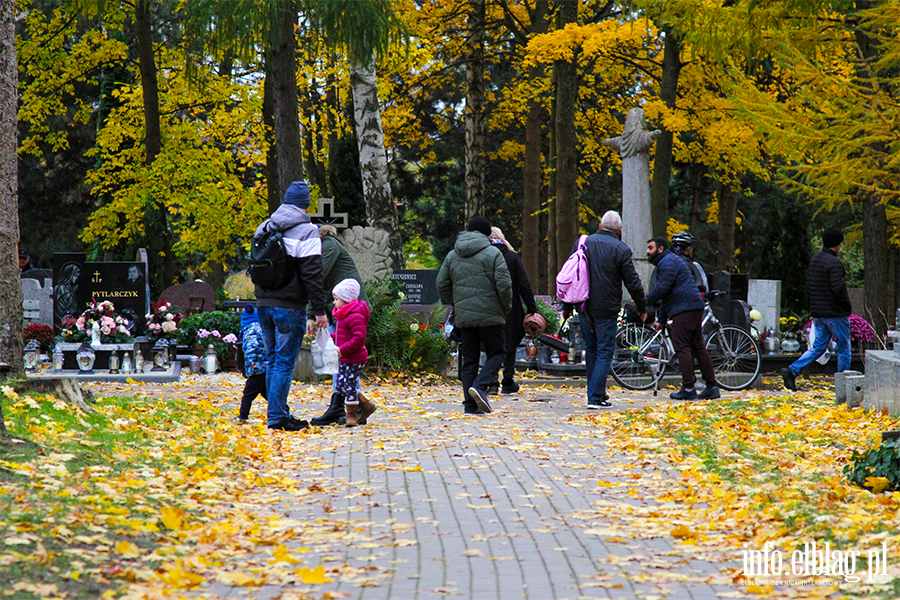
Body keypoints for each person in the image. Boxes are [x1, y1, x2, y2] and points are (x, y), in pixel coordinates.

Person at [254, 180, 329, 431]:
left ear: (285, 200)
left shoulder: (263, 226)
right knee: (284, 362)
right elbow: (312, 275)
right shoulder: (307, 231)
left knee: (273, 359)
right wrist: (319, 311)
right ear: (305, 204)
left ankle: (278, 412)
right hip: (289, 306)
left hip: (263, 303)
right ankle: (276, 417)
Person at [564, 211, 646, 409]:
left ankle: (596, 394)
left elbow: (570, 275)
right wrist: (642, 306)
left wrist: (566, 307)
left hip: (583, 305)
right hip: (606, 308)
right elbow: (632, 283)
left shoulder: (582, 243)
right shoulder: (621, 249)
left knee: (591, 349)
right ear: (619, 231)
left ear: (600, 226)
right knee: (605, 351)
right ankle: (595, 397)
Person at [437, 216, 512, 414]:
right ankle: (480, 386)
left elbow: (441, 283)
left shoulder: (453, 255)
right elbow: (504, 285)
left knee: (469, 359)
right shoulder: (494, 253)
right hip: (491, 314)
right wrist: (504, 307)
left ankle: (470, 405)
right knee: (497, 352)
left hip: (465, 316)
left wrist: (456, 303)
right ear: (487, 234)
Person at [306, 225, 369, 426]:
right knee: (340, 365)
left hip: (350, 310)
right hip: (339, 309)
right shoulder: (322, 247)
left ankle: (352, 409)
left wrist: (311, 314)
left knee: (347, 363)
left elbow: (316, 279)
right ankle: (347, 407)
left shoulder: (329, 246)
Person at [644, 237, 720, 400]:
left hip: (684, 309)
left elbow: (662, 289)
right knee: (698, 347)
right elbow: (667, 295)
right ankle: (712, 386)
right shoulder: (669, 261)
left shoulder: (668, 262)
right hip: (692, 306)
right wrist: (662, 320)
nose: (647, 251)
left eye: (650, 248)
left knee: (682, 347)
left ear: (660, 249)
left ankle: (688, 387)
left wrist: (643, 301)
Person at [781, 228, 852, 391]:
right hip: (835, 313)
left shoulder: (815, 261)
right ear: (839, 243)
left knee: (818, 347)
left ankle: (792, 370)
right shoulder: (834, 263)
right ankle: (844, 383)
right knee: (844, 346)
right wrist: (847, 307)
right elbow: (838, 288)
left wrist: (813, 309)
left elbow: (810, 287)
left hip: (819, 313)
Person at [488, 227, 537, 395]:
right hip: (511, 307)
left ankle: (492, 381)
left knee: (492, 344)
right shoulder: (512, 257)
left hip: (489, 306)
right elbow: (524, 284)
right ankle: (507, 380)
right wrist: (532, 308)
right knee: (510, 344)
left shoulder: (484, 257)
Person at [328, 278, 376, 426]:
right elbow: (343, 335)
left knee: (348, 385)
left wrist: (342, 349)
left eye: (336, 299)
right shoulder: (342, 315)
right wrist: (329, 338)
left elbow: (358, 338)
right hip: (345, 357)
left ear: (346, 300)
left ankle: (351, 416)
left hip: (355, 358)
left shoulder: (355, 315)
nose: (334, 303)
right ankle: (366, 405)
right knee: (341, 386)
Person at [237, 304, 267, 422]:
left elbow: (251, 347)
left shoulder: (250, 331)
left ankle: (243, 416)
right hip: (265, 366)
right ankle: (283, 410)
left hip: (257, 368)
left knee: (248, 394)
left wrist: (251, 363)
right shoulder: (262, 329)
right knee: (267, 393)